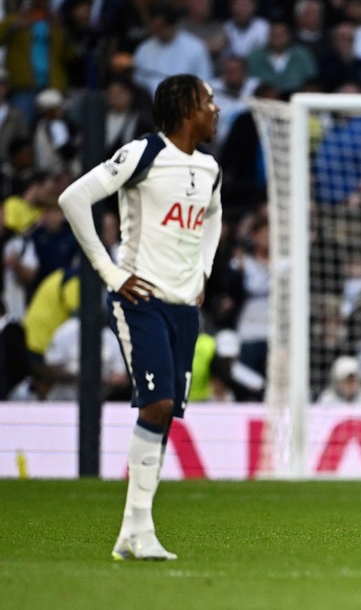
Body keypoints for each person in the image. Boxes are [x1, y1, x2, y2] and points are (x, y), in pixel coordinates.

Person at [58, 74, 222, 560]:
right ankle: (137, 531)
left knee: (164, 412)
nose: (215, 109)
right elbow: (73, 198)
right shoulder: (143, 153)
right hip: (140, 299)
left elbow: (213, 217)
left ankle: (135, 533)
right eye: (208, 100)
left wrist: (204, 269)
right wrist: (110, 272)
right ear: (186, 107)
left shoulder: (209, 168)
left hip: (184, 306)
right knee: (157, 404)